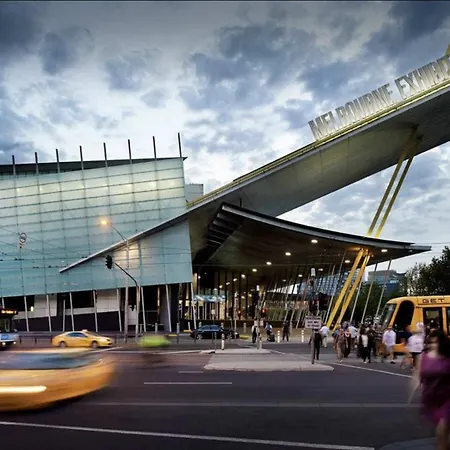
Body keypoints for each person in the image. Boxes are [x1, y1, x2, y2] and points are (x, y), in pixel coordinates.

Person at [412, 330, 450, 450]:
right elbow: (418, 375)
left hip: (447, 399)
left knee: (441, 432)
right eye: (431, 342)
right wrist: (415, 386)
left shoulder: (447, 358)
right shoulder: (422, 357)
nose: (433, 345)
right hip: (431, 400)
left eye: (436, 342)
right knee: (442, 436)